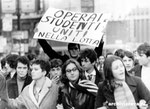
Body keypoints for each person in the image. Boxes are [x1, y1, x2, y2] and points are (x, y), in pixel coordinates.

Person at [38, 36, 104, 63]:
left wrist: (100, 43)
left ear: (79, 50)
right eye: (71, 49)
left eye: (75, 48)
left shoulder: (83, 60)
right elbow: (49, 51)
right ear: (68, 51)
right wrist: (40, 38)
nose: (74, 50)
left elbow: (95, 55)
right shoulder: (63, 60)